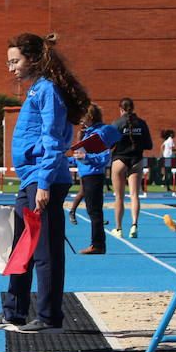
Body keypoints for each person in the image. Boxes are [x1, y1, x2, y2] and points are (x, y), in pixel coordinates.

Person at [0, 33, 90, 334]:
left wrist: (43, 183)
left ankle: (49, 317)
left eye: (14, 61)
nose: (10, 67)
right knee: (19, 246)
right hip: (30, 178)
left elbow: (53, 140)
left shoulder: (48, 91)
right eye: (8, 61)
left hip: (45, 180)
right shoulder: (36, 91)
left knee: (45, 251)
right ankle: (13, 312)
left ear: (34, 60)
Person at [66, 104, 120, 254]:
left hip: (93, 175)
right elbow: (81, 157)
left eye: (83, 118)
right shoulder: (88, 133)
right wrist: (68, 159)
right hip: (86, 173)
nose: (81, 122)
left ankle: (98, 244)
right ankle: (97, 243)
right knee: (93, 211)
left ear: (89, 117)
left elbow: (104, 157)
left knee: (94, 211)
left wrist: (85, 156)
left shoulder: (99, 134)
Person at [109, 97, 152, 239]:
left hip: (119, 160)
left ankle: (118, 228)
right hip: (136, 160)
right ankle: (134, 225)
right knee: (134, 194)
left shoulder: (117, 123)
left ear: (120, 109)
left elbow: (108, 144)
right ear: (133, 108)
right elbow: (149, 145)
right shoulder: (142, 123)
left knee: (119, 197)